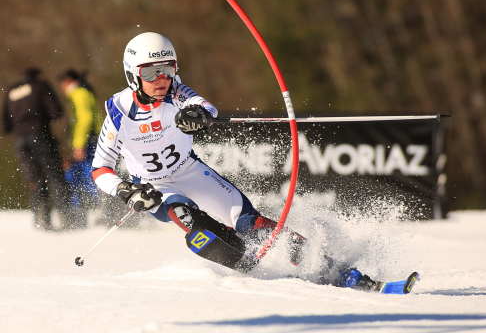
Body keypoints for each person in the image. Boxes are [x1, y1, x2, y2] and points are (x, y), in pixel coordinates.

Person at [91, 32, 377, 290]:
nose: (162, 79)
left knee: (250, 223)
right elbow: (100, 168)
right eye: (152, 72)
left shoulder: (176, 92)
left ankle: (337, 271)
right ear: (133, 75)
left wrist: (200, 116)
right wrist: (125, 191)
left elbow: (204, 106)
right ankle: (248, 264)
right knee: (185, 214)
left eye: (168, 69)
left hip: (190, 171)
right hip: (155, 188)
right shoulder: (119, 113)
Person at [1, 67, 77, 230]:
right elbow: (56, 111)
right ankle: (67, 220)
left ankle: (41, 222)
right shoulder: (39, 85)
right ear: (39, 76)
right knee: (55, 177)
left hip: (19, 141)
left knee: (35, 180)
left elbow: (4, 126)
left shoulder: (11, 91)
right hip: (39, 135)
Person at [58, 70, 104, 226]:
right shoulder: (83, 91)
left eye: (62, 84)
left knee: (89, 177)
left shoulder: (79, 93)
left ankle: (102, 212)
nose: (61, 88)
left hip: (88, 142)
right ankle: (80, 215)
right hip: (90, 140)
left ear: (68, 81)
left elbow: (85, 118)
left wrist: (78, 144)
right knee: (80, 177)